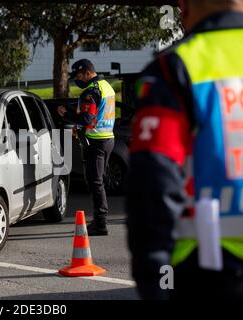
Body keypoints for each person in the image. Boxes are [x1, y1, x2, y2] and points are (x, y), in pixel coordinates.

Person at [127, 0, 243, 300]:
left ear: (184, 7)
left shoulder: (176, 66)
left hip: (211, 270)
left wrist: (153, 279)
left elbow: (155, 182)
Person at [57, 59, 116, 236]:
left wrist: (65, 114)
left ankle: (100, 223)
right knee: (99, 181)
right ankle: (100, 220)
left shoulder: (91, 92)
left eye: (79, 75)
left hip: (96, 142)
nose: (77, 79)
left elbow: (87, 119)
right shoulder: (107, 86)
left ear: (88, 72)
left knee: (95, 182)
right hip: (107, 139)